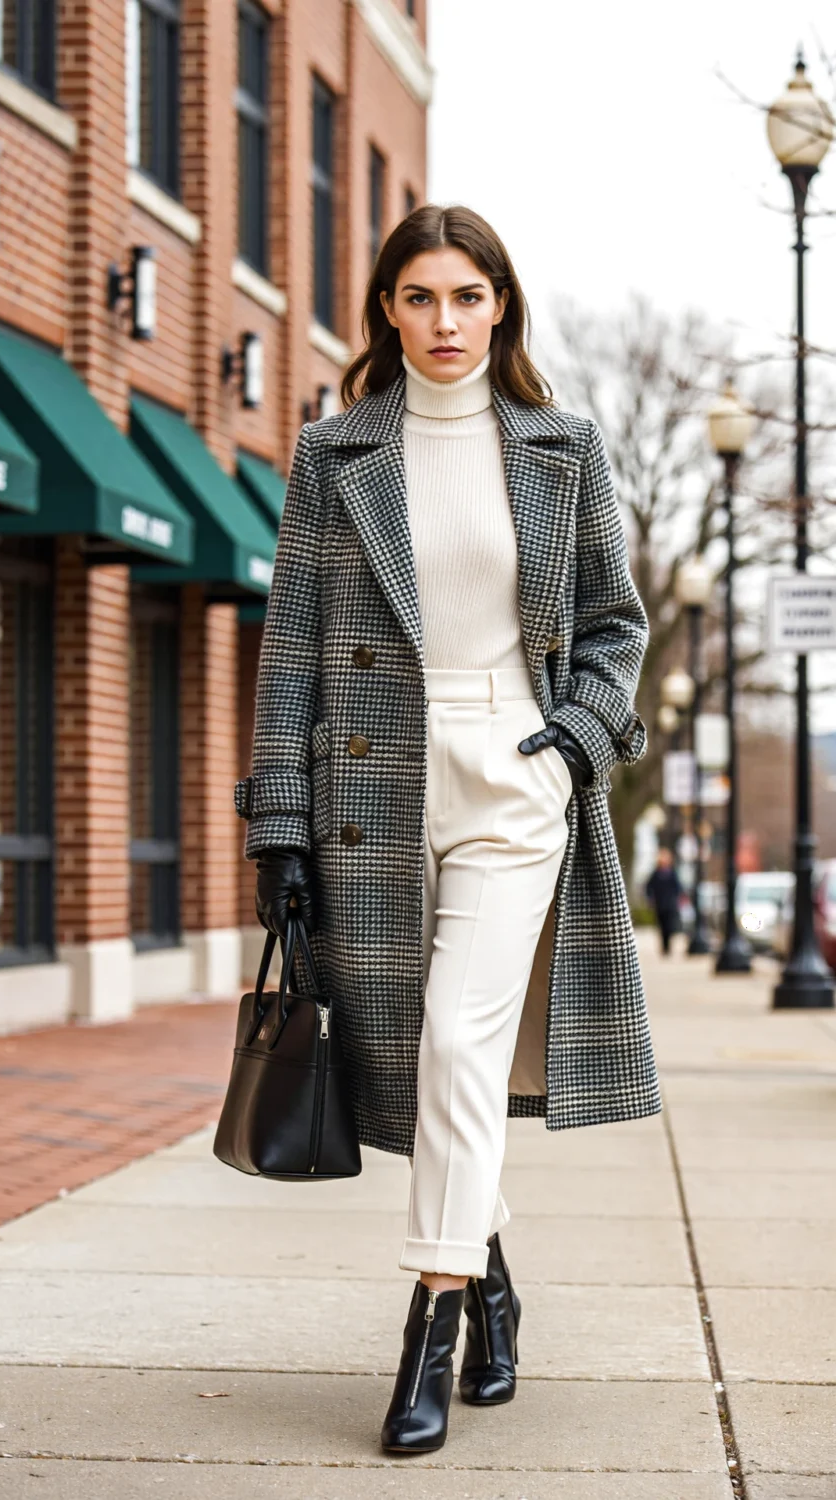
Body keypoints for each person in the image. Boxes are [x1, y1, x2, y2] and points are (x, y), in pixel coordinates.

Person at [235, 204, 657, 1456]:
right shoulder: (335, 453)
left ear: (501, 308)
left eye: (466, 297)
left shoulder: (561, 447)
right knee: (425, 1061)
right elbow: (294, 644)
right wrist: (278, 823)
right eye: (418, 298)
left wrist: (574, 739)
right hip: (368, 777)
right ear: (385, 313)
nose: (444, 322)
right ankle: (493, 1286)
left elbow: (612, 626)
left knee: (464, 1045)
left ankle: (425, 1327)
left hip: (512, 768)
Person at [646, 846, 683, 956]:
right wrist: (650, 899)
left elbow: (678, 887)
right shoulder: (656, 874)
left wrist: (677, 898)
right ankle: (664, 947)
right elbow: (649, 887)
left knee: (669, 926)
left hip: (670, 904)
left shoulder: (672, 873)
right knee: (662, 927)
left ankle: (668, 946)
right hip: (660, 904)